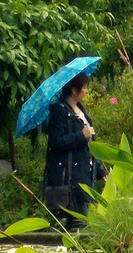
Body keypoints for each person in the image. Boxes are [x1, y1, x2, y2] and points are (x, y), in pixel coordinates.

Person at [41, 73, 99, 223]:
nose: (86, 91)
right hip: (70, 179)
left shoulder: (82, 110)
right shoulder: (59, 111)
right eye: (84, 87)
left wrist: (100, 171)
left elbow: (90, 146)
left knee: (87, 218)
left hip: (86, 173)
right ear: (74, 90)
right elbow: (56, 142)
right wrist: (81, 135)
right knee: (77, 222)